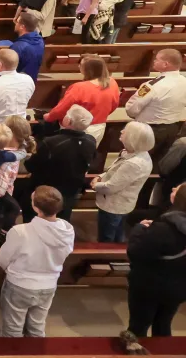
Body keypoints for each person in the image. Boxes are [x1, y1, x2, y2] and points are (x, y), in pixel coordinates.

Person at [0, 185, 74, 337]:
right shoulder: (67, 230)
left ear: (35, 207)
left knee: (13, 329)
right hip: (49, 284)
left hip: (19, 284)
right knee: (37, 327)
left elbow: (3, 259)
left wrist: (10, 271)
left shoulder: (20, 231)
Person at [124, 183, 186, 339]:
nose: (172, 188)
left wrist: (139, 229)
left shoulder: (164, 229)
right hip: (178, 286)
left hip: (150, 285)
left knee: (138, 327)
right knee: (163, 324)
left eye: (176, 189)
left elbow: (135, 252)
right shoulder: (167, 226)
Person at [20, 105, 96, 222]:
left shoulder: (51, 143)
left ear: (67, 120)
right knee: (61, 221)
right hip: (70, 192)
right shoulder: (91, 141)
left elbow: (31, 165)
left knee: (34, 221)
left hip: (45, 192)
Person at [92, 121, 155, 242]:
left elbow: (111, 187)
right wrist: (101, 176)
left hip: (114, 205)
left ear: (133, 137)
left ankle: (106, 258)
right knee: (117, 234)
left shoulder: (134, 163)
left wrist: (95, 185)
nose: (121, 131)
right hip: (120, 204)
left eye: (125, 130)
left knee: (107, 239)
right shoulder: (133, 152)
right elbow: (114, 170)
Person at [125, 48, 186, 161]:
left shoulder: (152, 85)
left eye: (157, 59)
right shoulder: (184, 81)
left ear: (165, 64)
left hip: (150, 129)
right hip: (173, 128)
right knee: (158, 162)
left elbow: (131, 109)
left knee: (135, 160)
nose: (154, 61)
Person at [42, 56, 119, 145]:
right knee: (87, 155)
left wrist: (49, 116)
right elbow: (114, 104)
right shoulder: (112, 82)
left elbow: (62, 108)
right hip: (99, 127)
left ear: (89, 70)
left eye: (81, 65)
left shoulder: (80, 88)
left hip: (77, 129)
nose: (79, 67)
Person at [9, 10, 45, 81]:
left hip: (17, 83)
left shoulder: (17, 47)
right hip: (30, 82)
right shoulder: (40, 41)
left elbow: (7, 70)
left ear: (22, 27)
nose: (15, 23)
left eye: (17, 21)